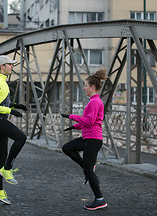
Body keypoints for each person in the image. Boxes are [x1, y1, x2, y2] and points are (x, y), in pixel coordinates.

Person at [61, 68, 108, 211]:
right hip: (89, 138)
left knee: (88, 172)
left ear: (93, 87)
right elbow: (89, 122)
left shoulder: (95, 102)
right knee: (67, 148)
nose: (84, 88)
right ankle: (87, 167)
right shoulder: (92, 101)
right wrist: (75, 127)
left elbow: (89, 121)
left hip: (93, 140)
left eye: (86, 85)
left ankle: (99, 199)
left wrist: (71, 116)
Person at [0, 55, 27, 205]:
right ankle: (7, 168)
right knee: (21, 137)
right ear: (2, 66)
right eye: (10, 64)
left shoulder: (2, 81)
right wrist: (10, 111)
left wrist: (15, 106)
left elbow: (0, 102)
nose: (12, 67)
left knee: (1, 156)